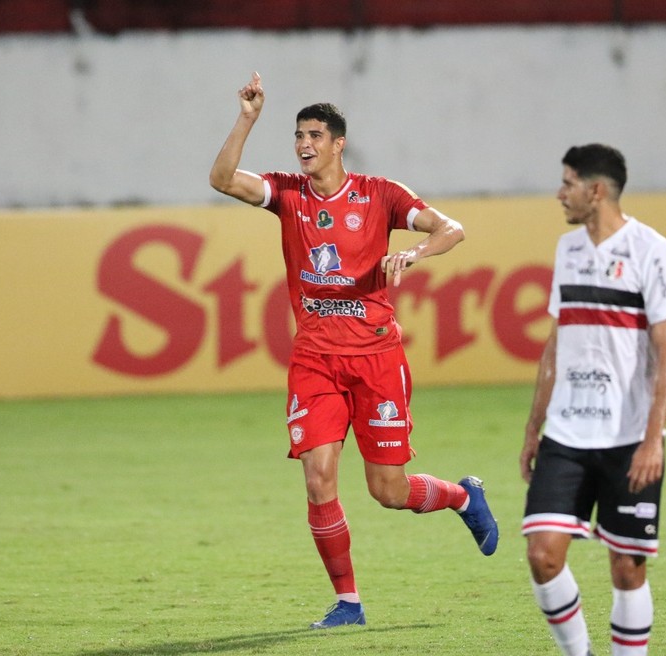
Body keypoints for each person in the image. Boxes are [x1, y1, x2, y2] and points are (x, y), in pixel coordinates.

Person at [209, 72, 499, 630]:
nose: (304, 145)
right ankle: (349, 603)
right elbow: (222, 178)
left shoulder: (379, 195)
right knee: (319, 477)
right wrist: (247, 118)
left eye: (315, 136)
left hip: (376, 359)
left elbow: (452, 229)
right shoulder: (288, 194)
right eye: (298, 136)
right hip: (315, 360)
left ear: (339, 143)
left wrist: (414, 253)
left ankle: (463, 498)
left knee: (387, 490)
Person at [519, 144, 666, 656]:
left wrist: (653, 438)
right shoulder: (567, 250)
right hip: (567, 434)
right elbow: (555, 340)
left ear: (595, 190)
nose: (559, 193)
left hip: (627, 435)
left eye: (567, 183)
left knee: (626, 565)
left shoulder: (652, 251)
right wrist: (534, 427)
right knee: (543, 555)